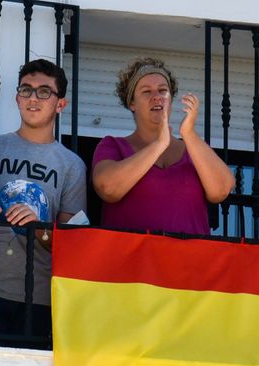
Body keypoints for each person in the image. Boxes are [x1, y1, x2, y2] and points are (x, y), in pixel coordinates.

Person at [0, 59, 88, 339]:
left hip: (38, 295)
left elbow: (73, 242)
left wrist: (39, 227)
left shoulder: (72, 165)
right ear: (17, 97)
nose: (33, 98)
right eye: (26, 90)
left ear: (60, 104)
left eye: (44, 91)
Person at [91, 57, 234, 234]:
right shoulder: (112, 145)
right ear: (132, 103)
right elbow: (108, 189)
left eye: (162, 90)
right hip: (132, 260)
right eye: (146, 91)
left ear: (171, 99)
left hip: (190, 260)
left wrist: (188, 133)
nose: (156, 97)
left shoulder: (194, 149)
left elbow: (221, 190)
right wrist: (159, 144)